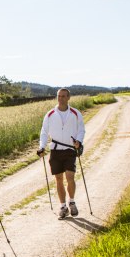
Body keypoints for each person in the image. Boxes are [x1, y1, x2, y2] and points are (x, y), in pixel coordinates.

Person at [37, 88, 86, 219]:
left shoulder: (76, 113)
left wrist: (79, 142)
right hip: (55, 150)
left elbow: (81, 130)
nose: (61, 98)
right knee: (58, 179)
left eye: (64, 96)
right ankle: (63, 206)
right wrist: (42, 147)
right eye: (59, 96)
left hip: (70, 149)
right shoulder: (50, 114)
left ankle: (72, 202)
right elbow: (44, 132)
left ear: (68, 98)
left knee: (70, 177)